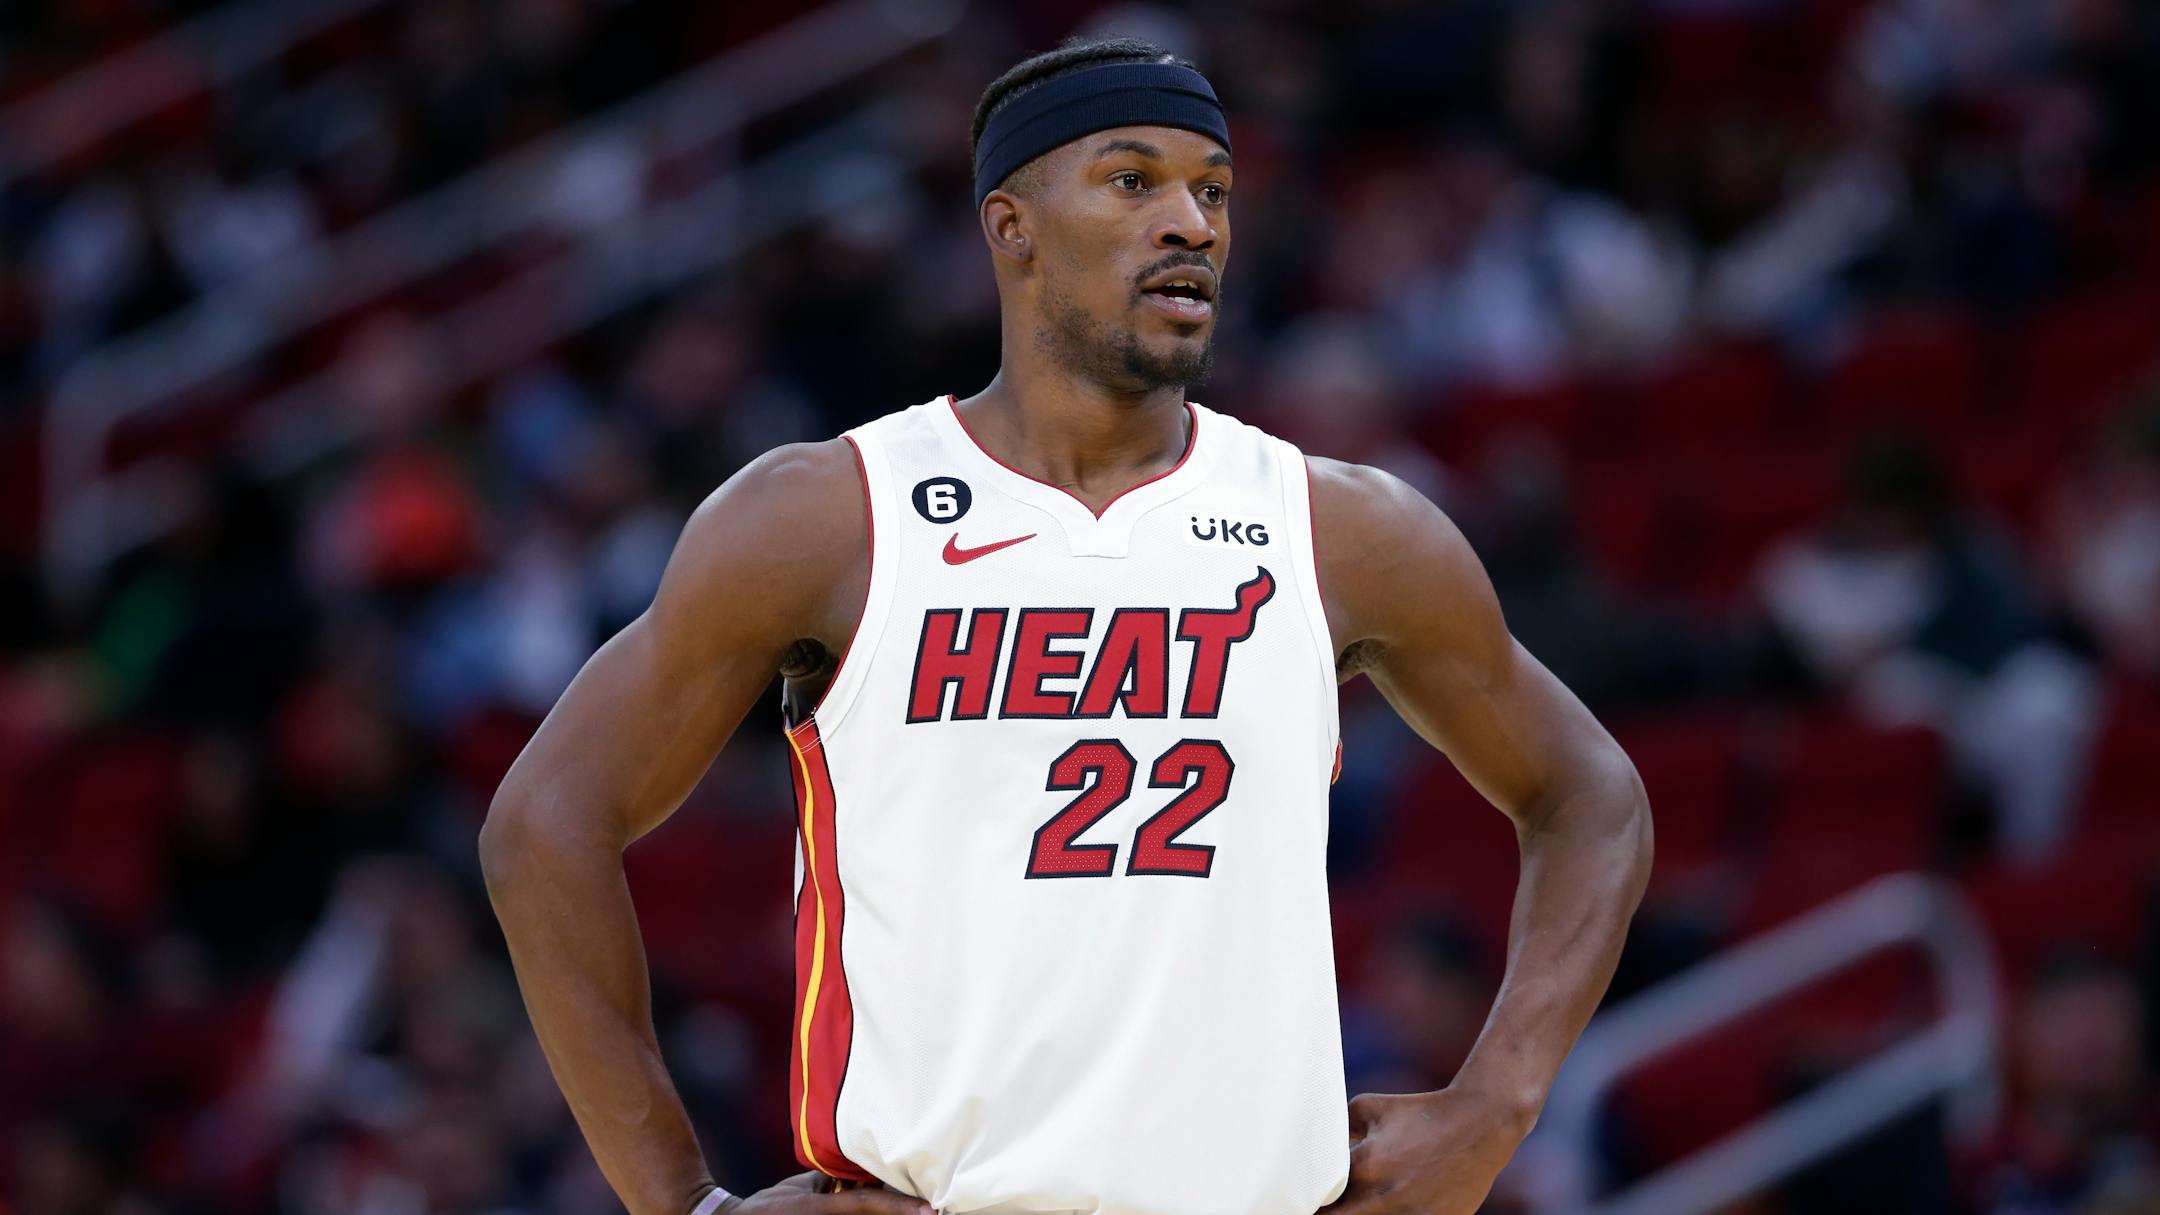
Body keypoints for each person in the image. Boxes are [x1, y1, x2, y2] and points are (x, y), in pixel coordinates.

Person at [480, 36, 1652, 1215]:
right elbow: (544, 826)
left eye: (1215, 190)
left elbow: (1592, 794)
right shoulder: (830, 515)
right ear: (1012, 226)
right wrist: (685, 1204)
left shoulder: (1338, 527)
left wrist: (1497, 1102)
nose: (1192, 222)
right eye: (1134, 181)